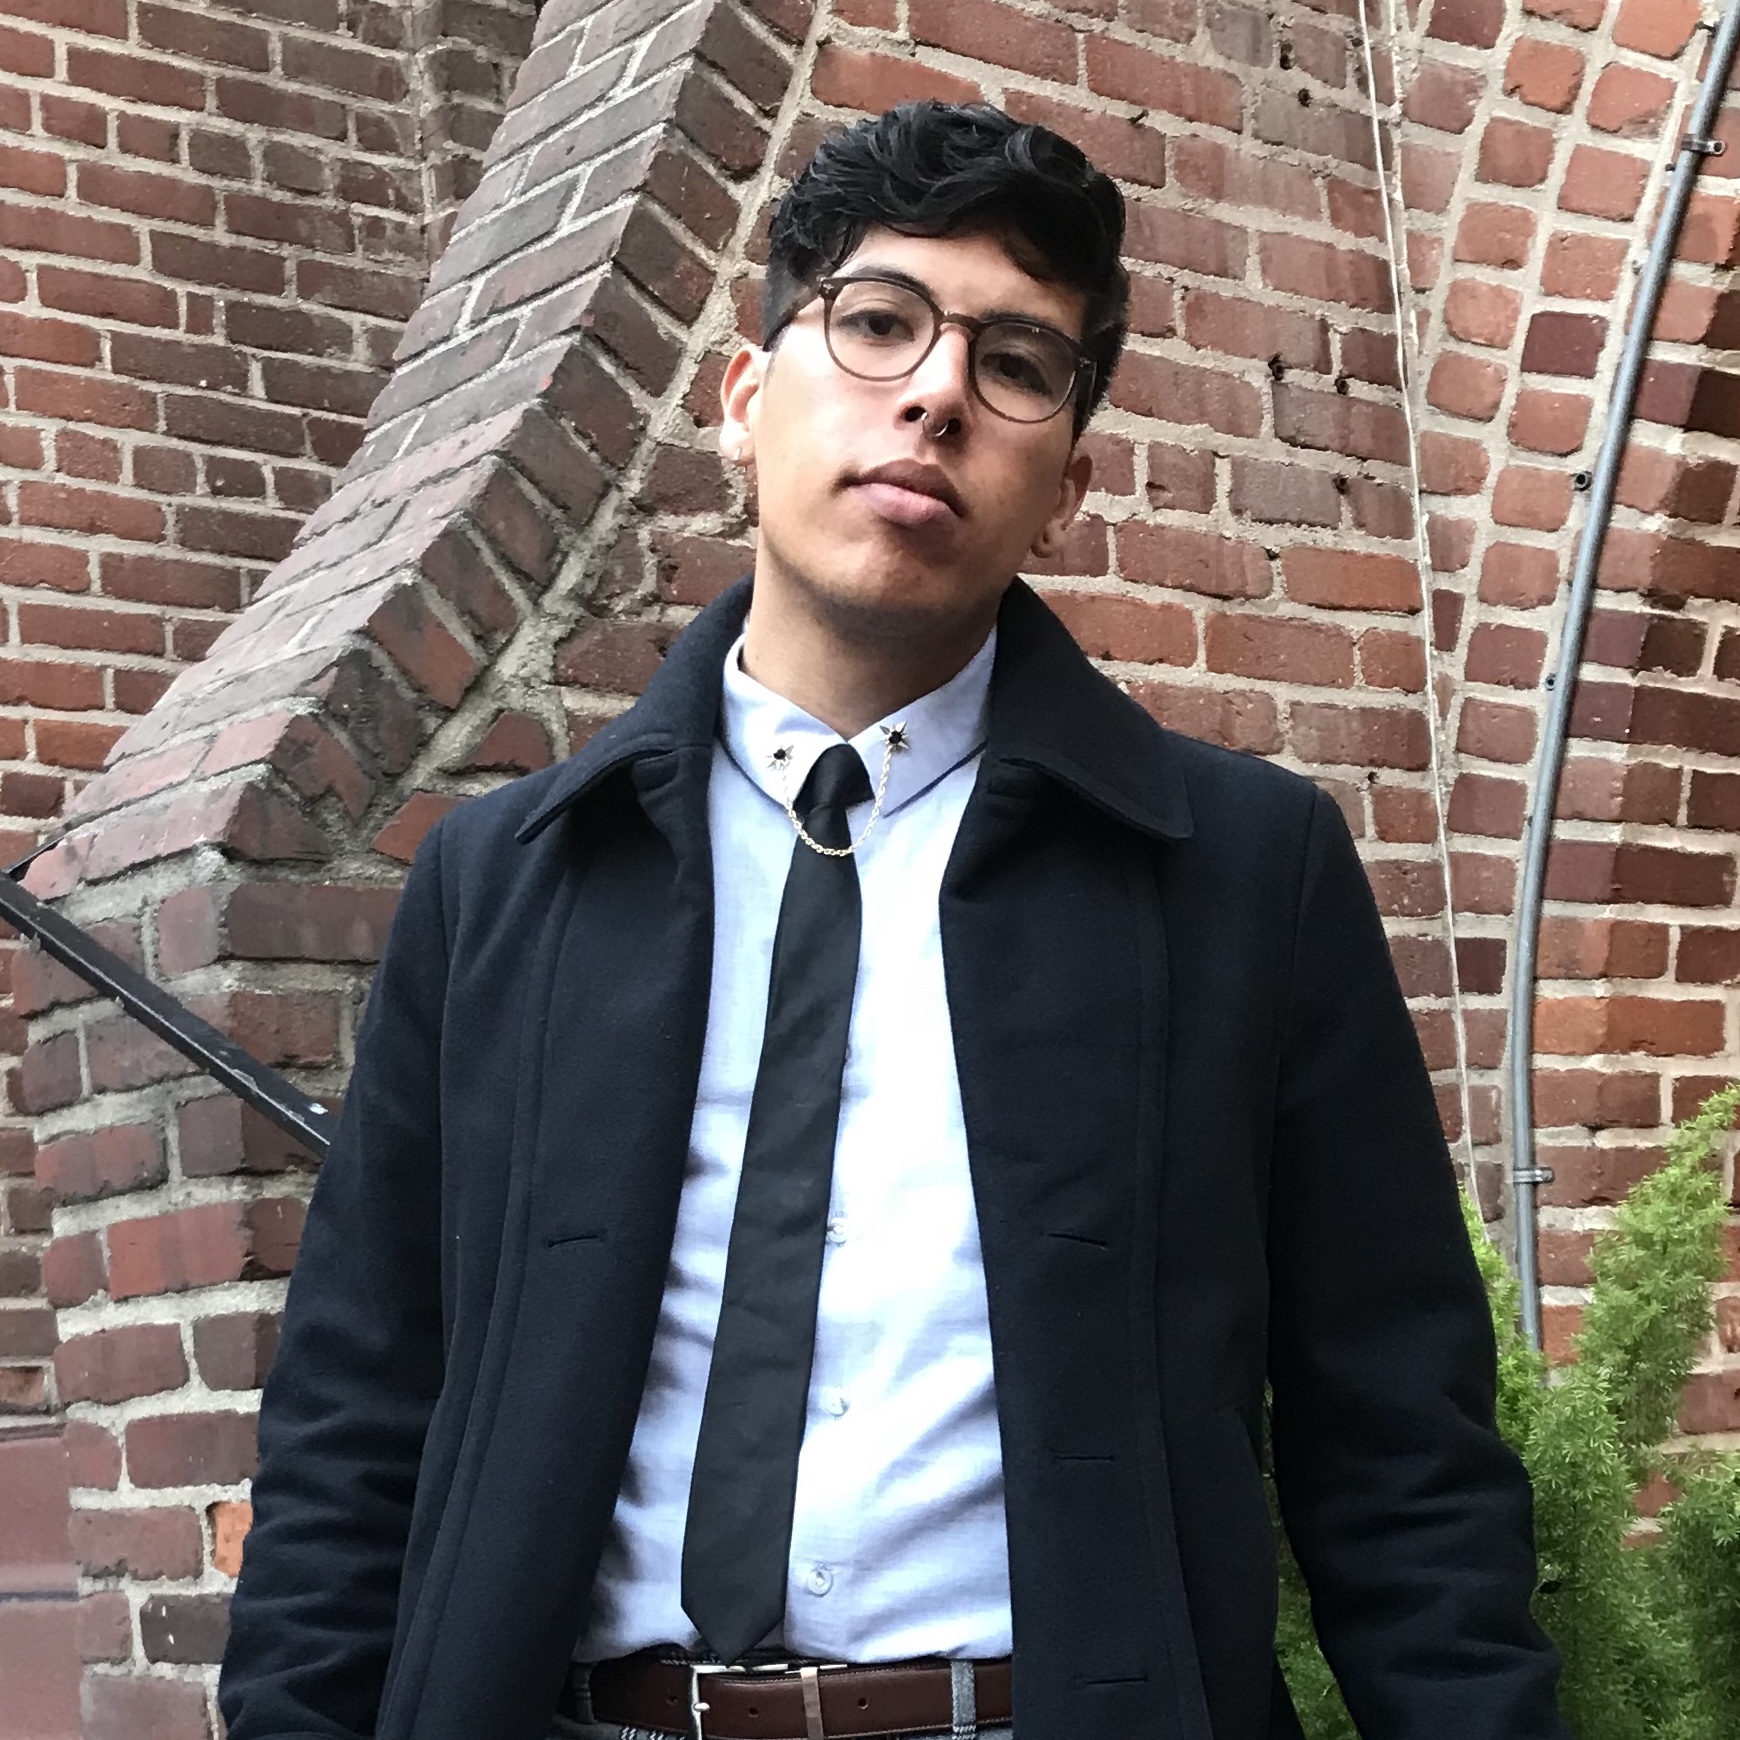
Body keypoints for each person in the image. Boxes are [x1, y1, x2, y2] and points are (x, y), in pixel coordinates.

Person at [218, 102, 1571, 1740]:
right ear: (742, 395)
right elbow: (357, 1418)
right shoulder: (508, 883)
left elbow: (1400, 1450)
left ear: (1064, 482)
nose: (936, 393)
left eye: (1017, 364)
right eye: (876, 324)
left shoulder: (1240, 873)